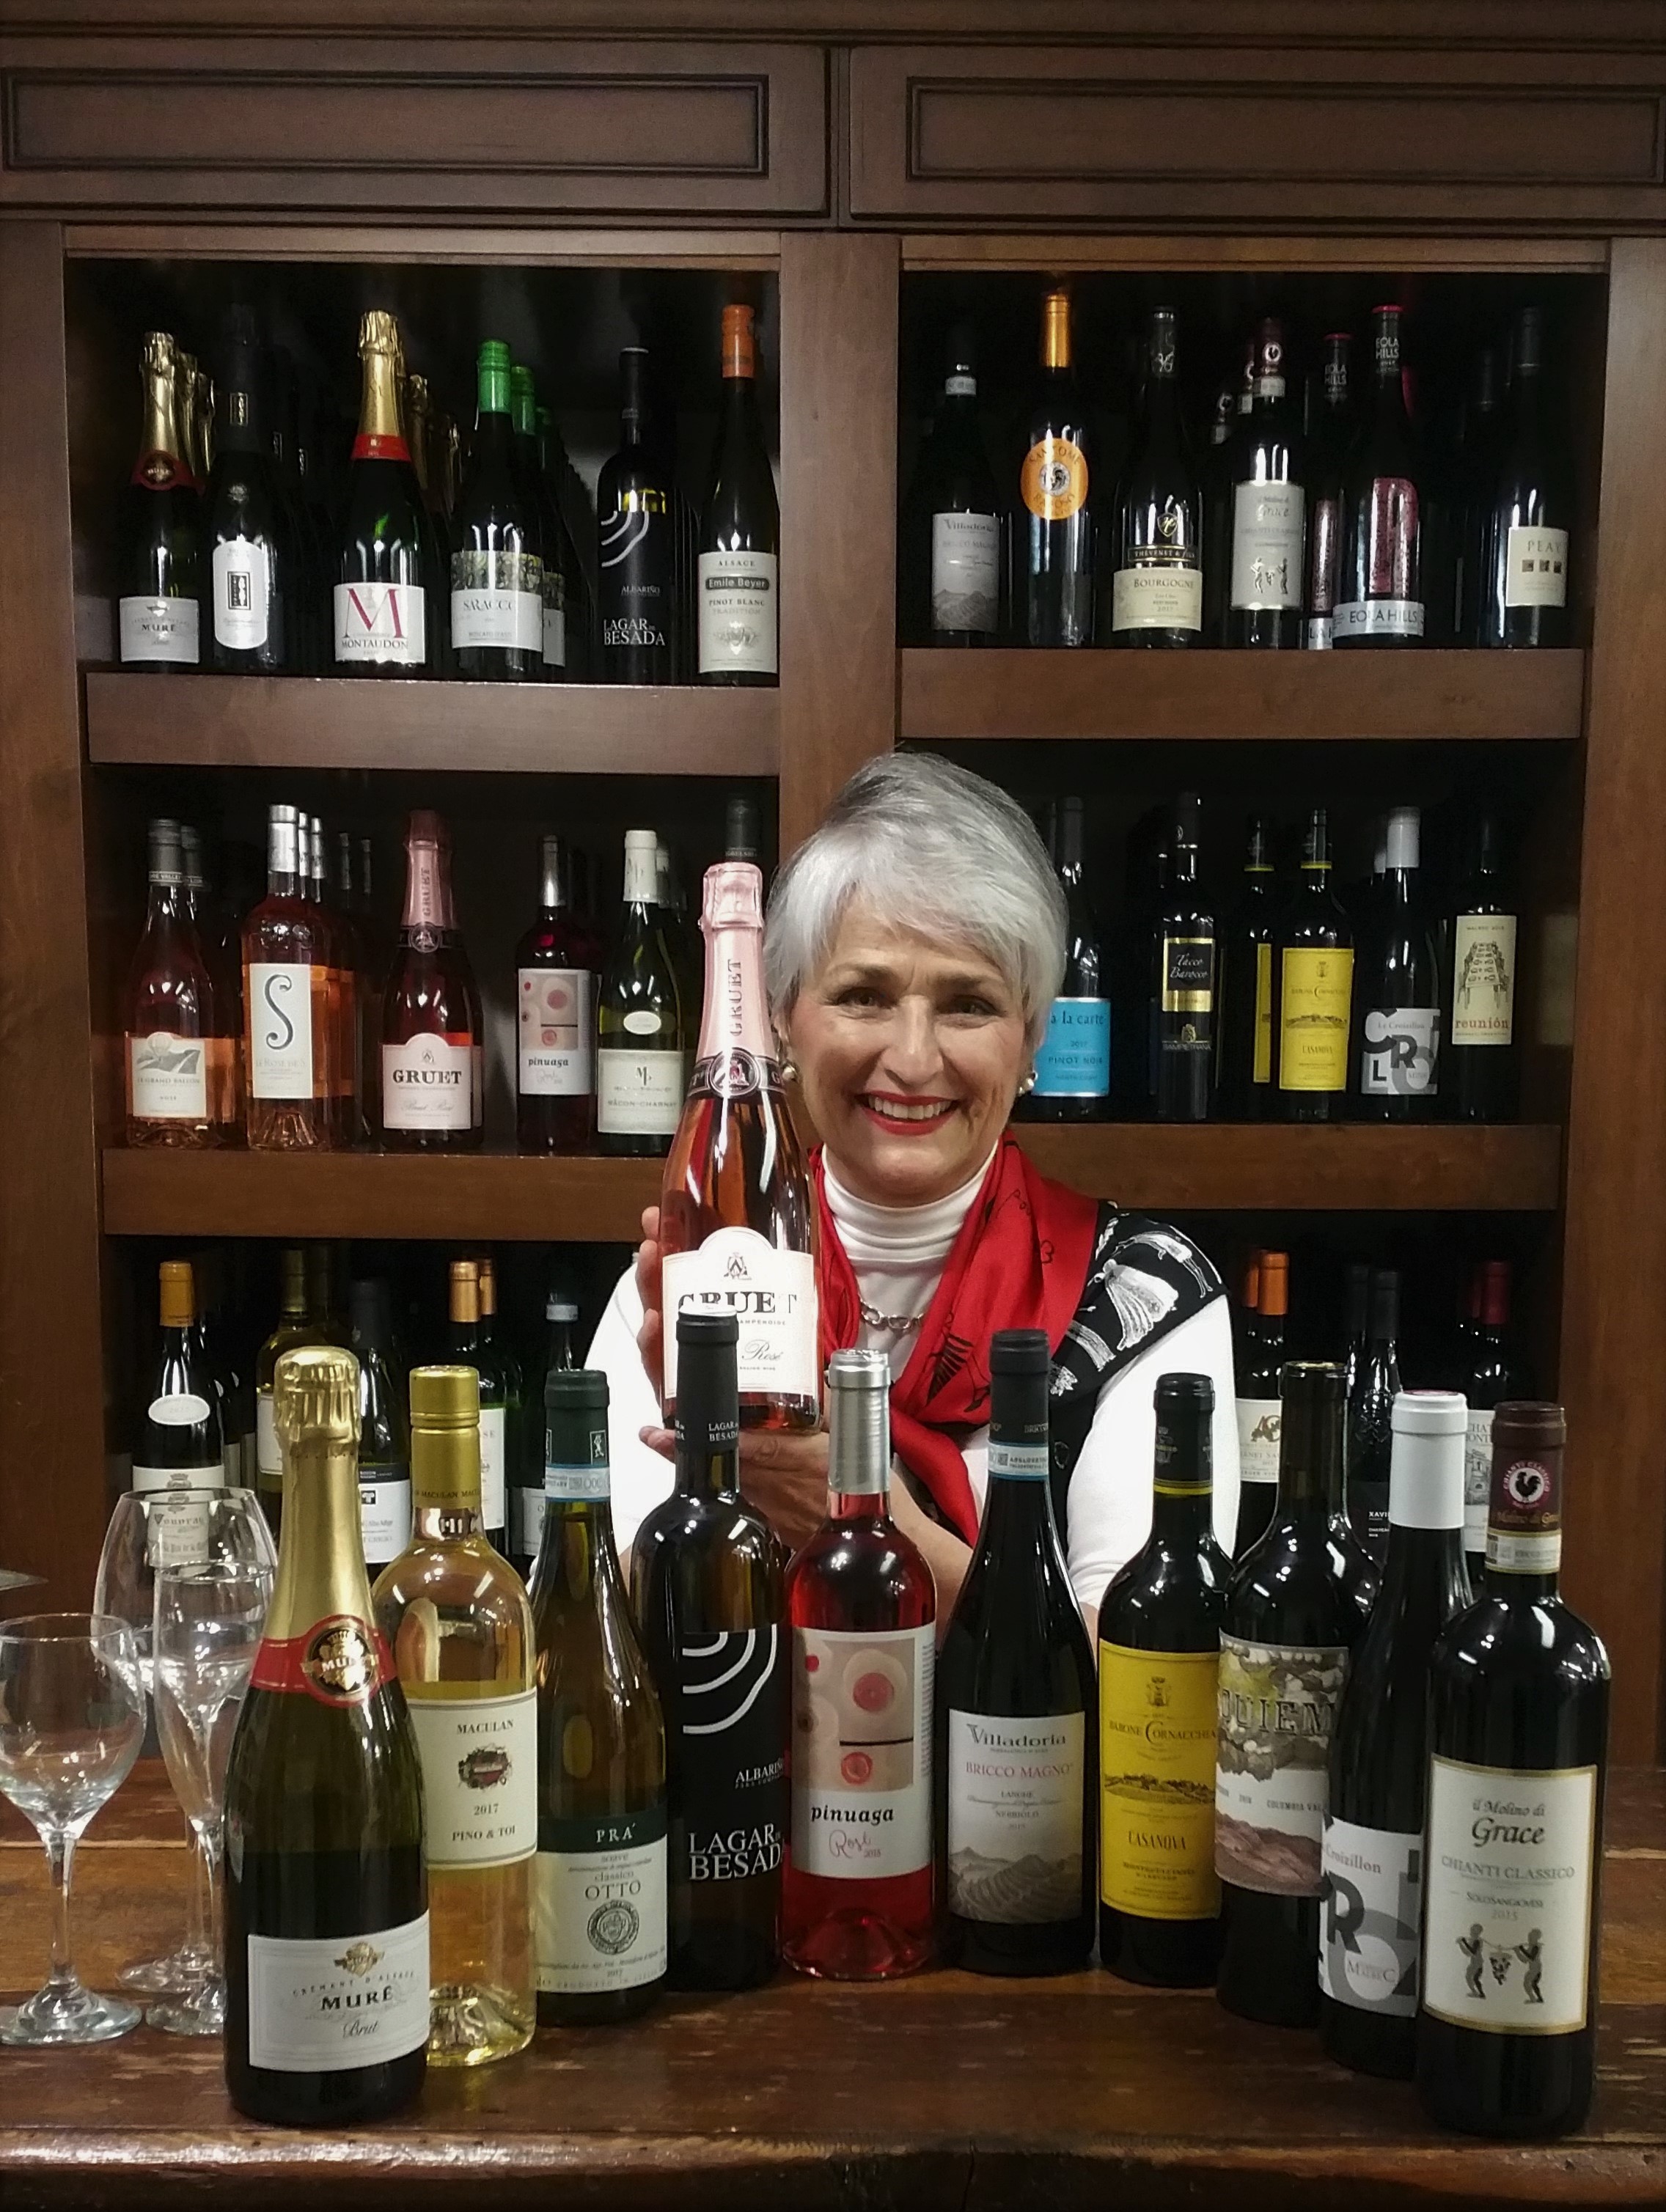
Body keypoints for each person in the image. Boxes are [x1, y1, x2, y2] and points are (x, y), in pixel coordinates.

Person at [589, 753, 1240, 1632]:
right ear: (780, 1015)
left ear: (1031, 1036)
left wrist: (863, 1519)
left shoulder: (1143, 1295)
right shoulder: (693, 1284)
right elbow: (602, 1626)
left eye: (969, 1003)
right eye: (863, 995)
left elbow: (1145, 1667)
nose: (912, 1057)